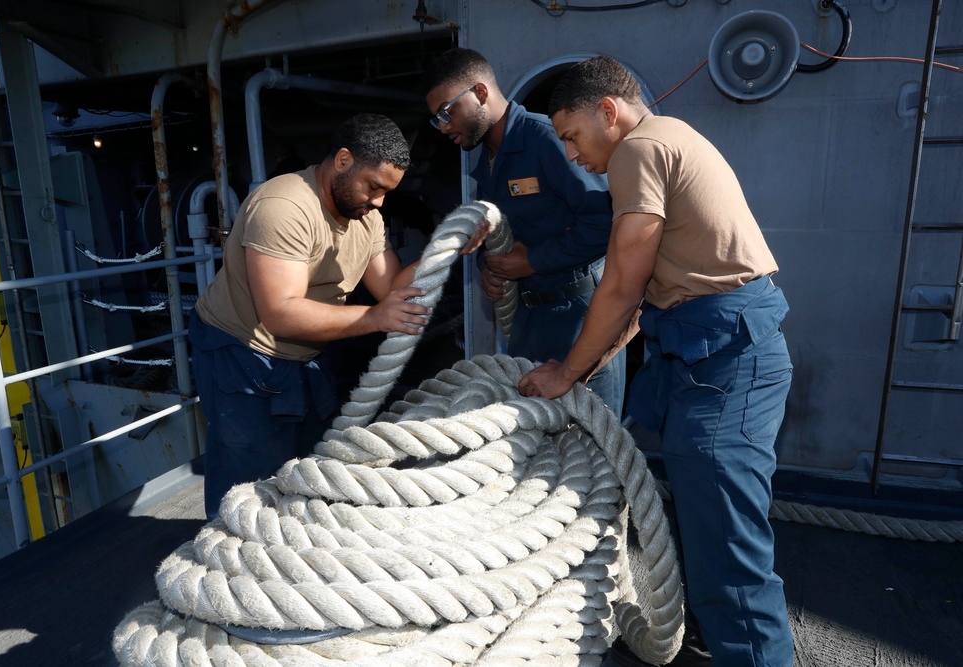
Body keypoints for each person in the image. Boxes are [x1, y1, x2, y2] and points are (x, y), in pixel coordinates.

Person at [519, 56, 794, 667]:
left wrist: (564, 374)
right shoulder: (671, 138)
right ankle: (720, 631)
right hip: (711, 351)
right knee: (707, 524)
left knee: (729, 550)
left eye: (571, 135)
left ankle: (750, 649)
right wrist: (580, 372)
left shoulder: (638, 151)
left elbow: (619, 284)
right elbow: (646, 302)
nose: (570, 153)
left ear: (608, 113)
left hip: (726, 362)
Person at [190, 113, 486, 519]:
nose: (379, 201)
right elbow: (279, 314)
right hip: (242, 355)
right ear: (343, 160)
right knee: (250, 486)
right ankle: (233, 563)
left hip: (305, 356)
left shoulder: (367, 218)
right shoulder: (284, 207)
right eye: (374, 187)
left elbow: (393, 289)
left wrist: (447, 245)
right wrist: (376, 318)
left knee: (309, 469)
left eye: (387, 192)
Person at [422, 48, 625, 414]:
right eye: (437, 119)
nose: (445, 126)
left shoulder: (546, 140)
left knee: (594, 448)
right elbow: (502, 232)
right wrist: (492, 269)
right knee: (532, 441)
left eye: (447, 112)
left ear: (480, 93)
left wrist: (530, 261)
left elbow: (605, 225)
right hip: (529, 322)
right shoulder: (487, 161)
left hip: (580, 319)